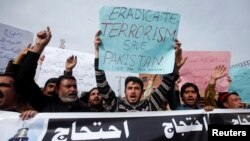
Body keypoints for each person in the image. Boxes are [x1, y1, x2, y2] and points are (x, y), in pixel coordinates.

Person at [94, 31, 185, 112]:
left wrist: (171, 56)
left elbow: (166, 83)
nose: (133, 91)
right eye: (130, 88)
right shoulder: (116, 104)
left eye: (137, 88)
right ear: (125, 91)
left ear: (142, 92)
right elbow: (102, 85)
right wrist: (98, 52)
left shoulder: (150, 105)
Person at [15, 27, 89, 112]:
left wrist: (68, 71)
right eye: (68, 86)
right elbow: (24, 79)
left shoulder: (84, 108)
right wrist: (39, 46)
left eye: (75, 86)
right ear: (57, 89)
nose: (73, 89)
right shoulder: (45, 103)